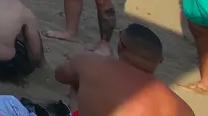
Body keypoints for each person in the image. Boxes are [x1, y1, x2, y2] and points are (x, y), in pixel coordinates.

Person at [54, 24, 196, 116]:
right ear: (160, 60)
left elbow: (60, 75)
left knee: (77, 84)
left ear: (121, 46)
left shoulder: (89, 63)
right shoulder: (182, 108)